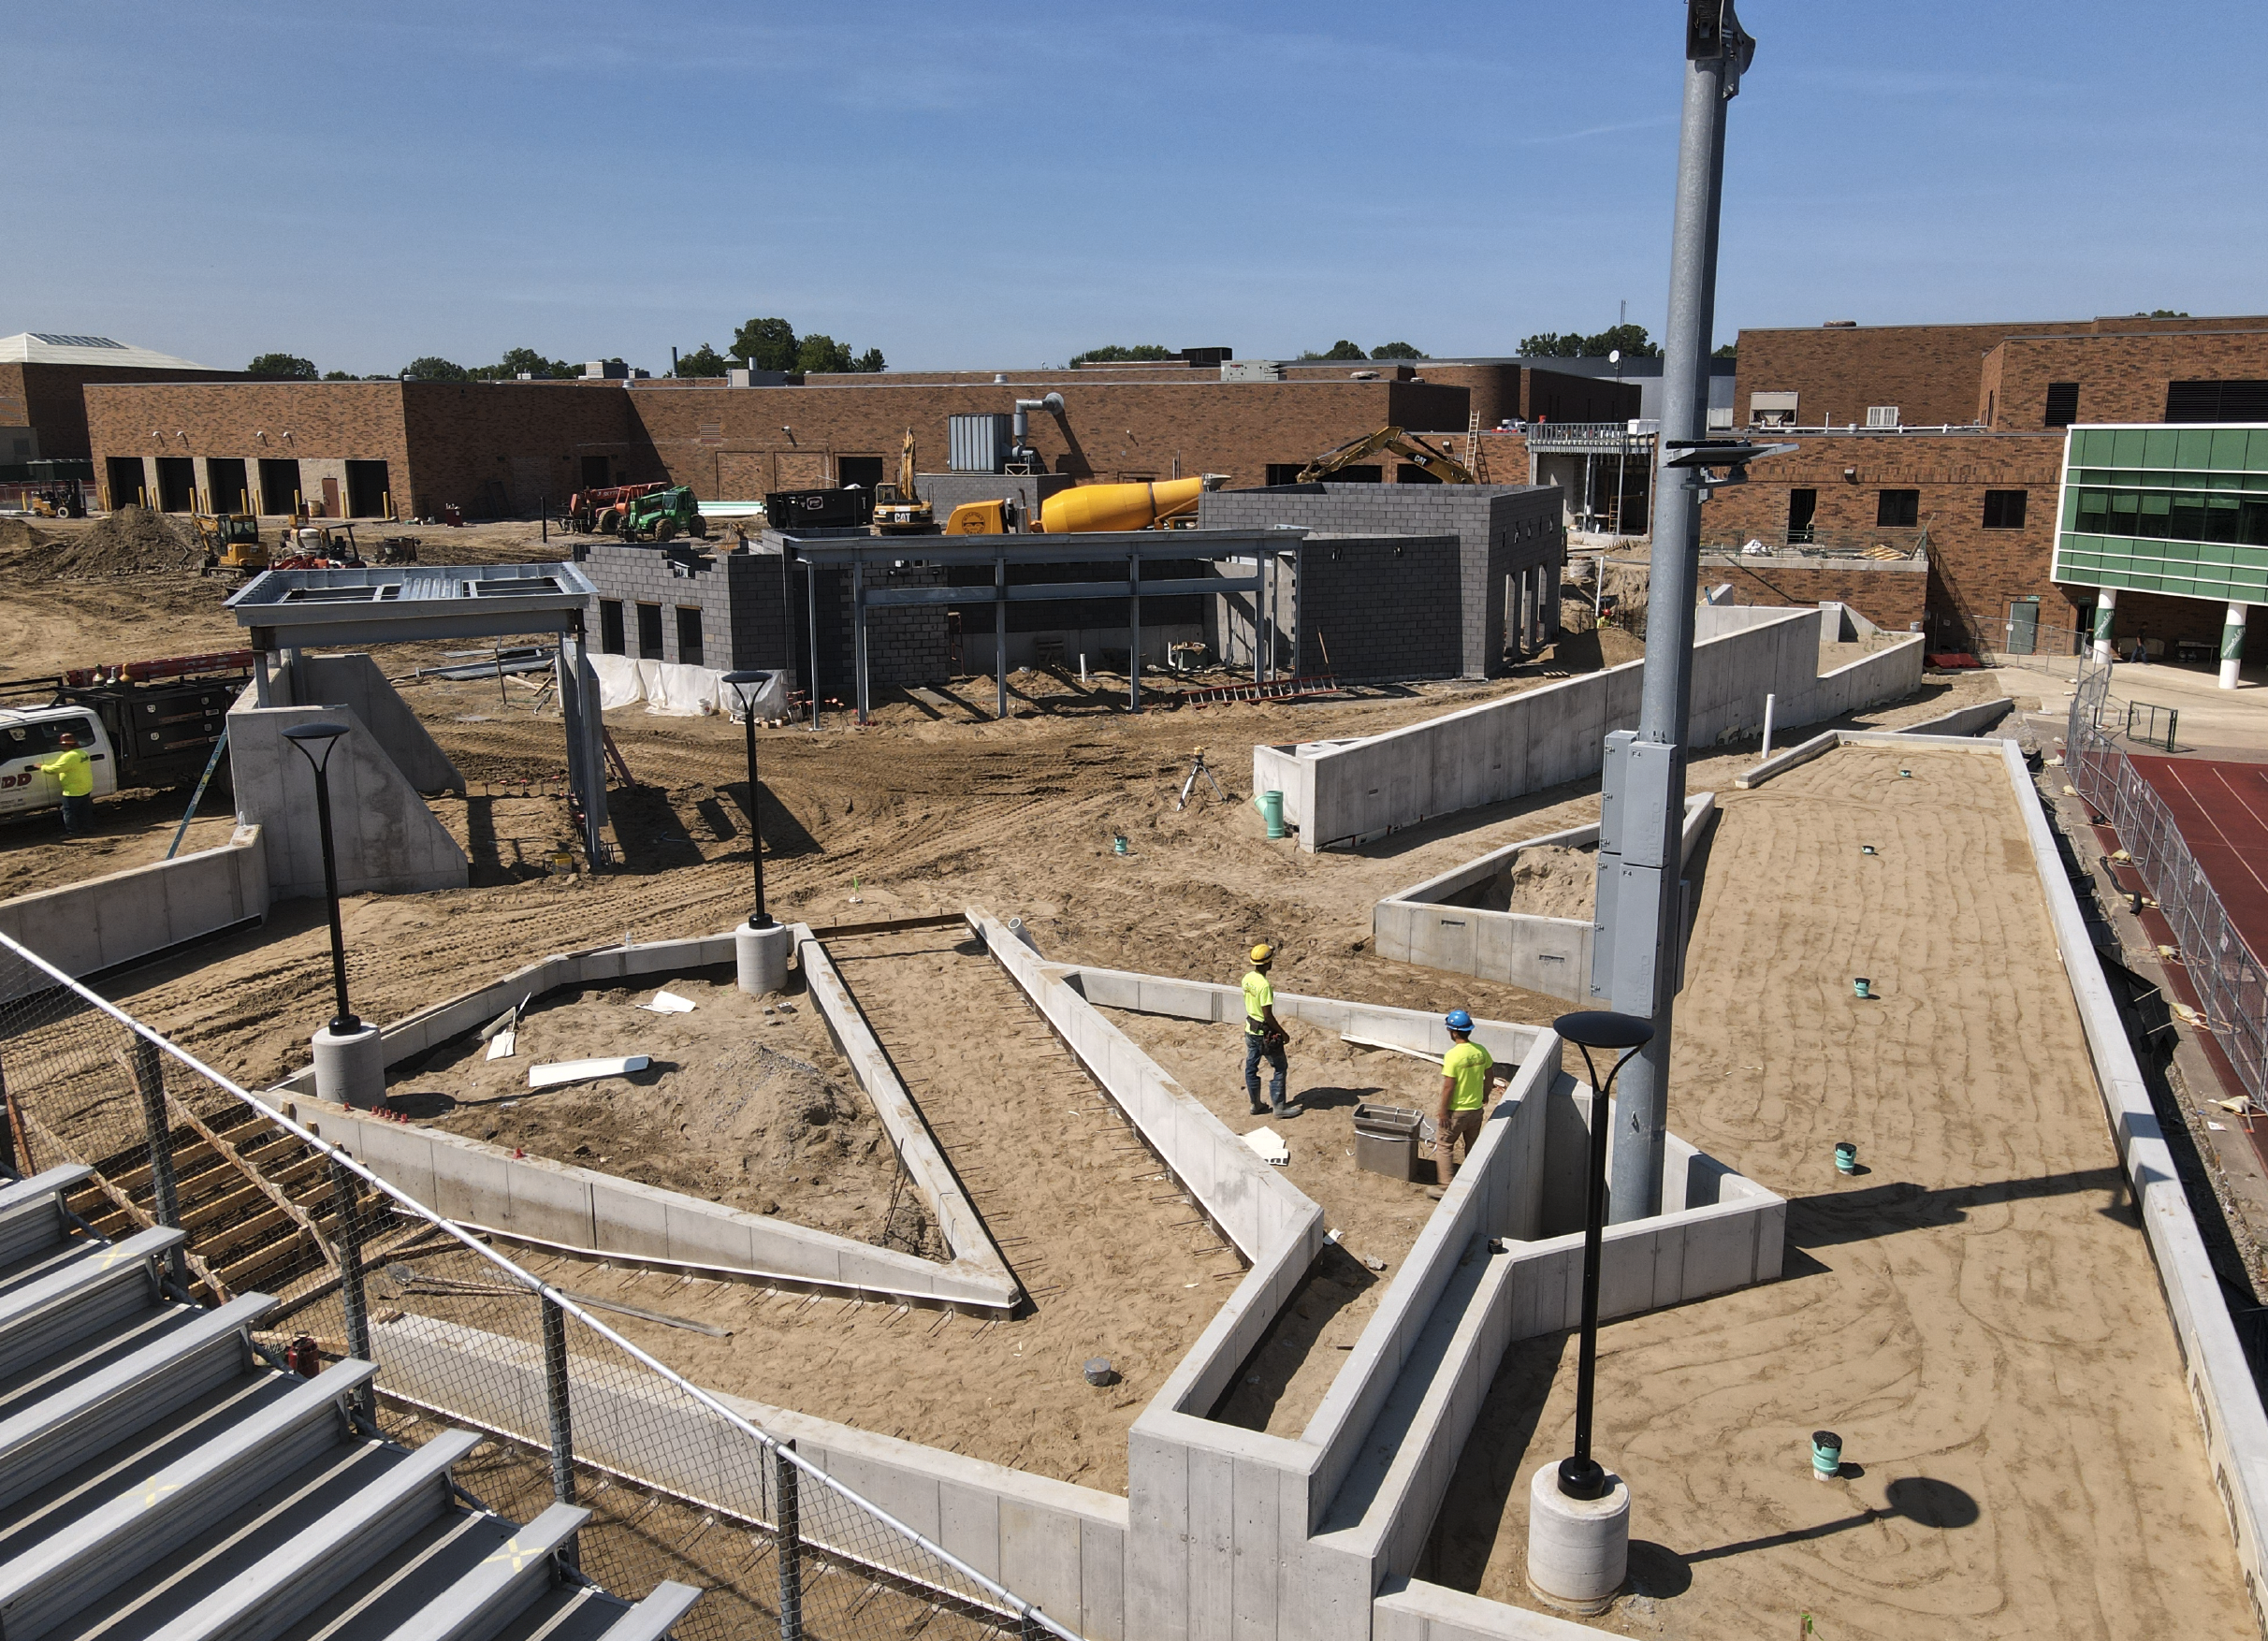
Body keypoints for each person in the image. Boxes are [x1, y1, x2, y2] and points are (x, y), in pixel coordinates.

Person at [1432, 1008, 1511, 1194]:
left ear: (1453, 1031)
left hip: (1456, 1111)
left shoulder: (1453, 1056)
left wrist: (1443, 1111)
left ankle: (1446, 1186)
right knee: (1472, 1146)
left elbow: (1448, 1086)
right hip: (1476, 1110)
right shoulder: (1480, 1051)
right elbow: (1490, 1074)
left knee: (1444, 1145)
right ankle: (1473, 1179)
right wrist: (1485, 1095)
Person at [1242, 943, 1299, 1120]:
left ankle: (1255, 1104)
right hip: (1263, 1035)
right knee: (1280, 1067)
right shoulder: (1264, 986)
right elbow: (1267, 1015)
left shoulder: (1247, 978)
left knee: (1251, 1067)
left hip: (1250, 1030)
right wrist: (1283, 1033)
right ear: (1269, 963)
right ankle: (1279, 1107)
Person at [36, 732, 94, 837]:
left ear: (68, 744)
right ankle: (88, 828)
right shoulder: (82, 753)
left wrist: (42, 767)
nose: (61, 746)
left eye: (63, 744)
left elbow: (54, 770)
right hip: (85, 786)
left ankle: (72, 832)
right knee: (84, 810)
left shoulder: (69, 756)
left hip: (73, 789)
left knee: (68, 811)